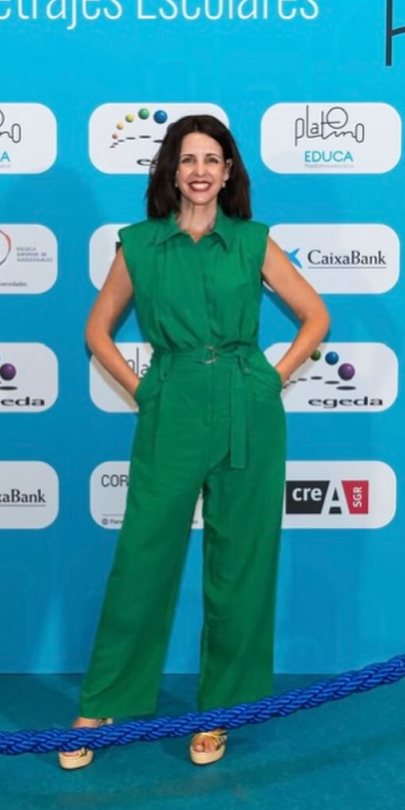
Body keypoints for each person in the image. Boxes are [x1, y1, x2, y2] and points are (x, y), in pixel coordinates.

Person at [60, 114, 330, 769]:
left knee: (242, 565)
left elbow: (316, 315)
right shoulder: (139, 245)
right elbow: (97, 331)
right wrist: (145, 390)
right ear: (171, 171)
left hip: (248, 408)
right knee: (142, 558)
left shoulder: (252, 242)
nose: (200, 171)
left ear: (229, 171)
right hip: (171, 403)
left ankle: (220, 712)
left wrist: (270, 379)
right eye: (188, 160)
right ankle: (101, 703)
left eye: (212, 159)